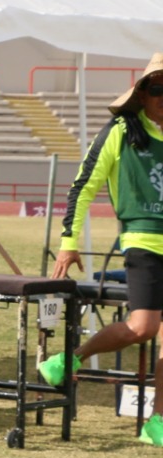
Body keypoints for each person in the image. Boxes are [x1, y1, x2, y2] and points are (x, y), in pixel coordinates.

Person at [43, 52, 163, 395]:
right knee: (143, 328)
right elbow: (82, 187)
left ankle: (158, 418)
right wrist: (68, 244)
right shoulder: (121, 131)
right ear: (142, 94)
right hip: (144, 243)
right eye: (158, 89)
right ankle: (70, 359)